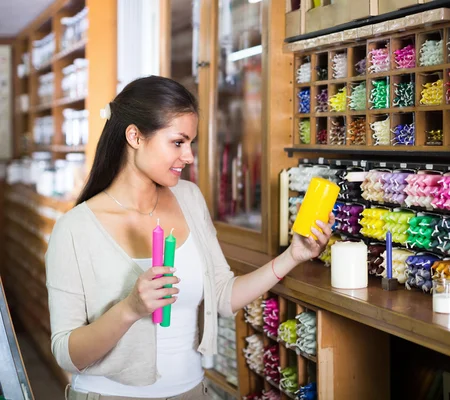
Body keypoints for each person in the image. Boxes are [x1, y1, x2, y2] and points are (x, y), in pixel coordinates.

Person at [45, 75, 333, 400]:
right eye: (178, 142)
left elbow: (223, 295)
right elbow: (68, 353)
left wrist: (294, 255)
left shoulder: (189, 199)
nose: (190, 157)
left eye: (191, 143)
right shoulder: (74, 229)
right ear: (135, 136)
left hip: (192, 391)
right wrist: (130, 308)